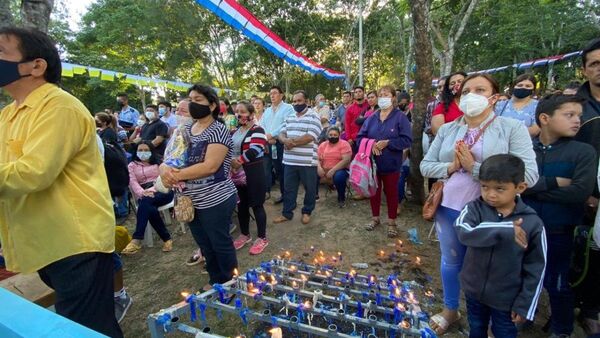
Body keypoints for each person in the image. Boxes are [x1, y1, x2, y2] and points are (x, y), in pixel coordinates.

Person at [0, 27, 122, 337]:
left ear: (36, 66)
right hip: (45, 242)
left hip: (75, 241)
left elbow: (33, 172)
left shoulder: (59, 106)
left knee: (86, 329)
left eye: (1, 52)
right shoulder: (7, 116)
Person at [420, 73, 538, 335]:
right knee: (451, 261)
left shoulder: (511, 128)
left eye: (480, 89)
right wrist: (450, 166)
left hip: (494, 213)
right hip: (449, 206)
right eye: (466, 91)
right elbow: (425, 165)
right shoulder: (449, 128)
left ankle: (491, 320)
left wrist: (476, 169)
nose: (471, 95)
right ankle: (451, 309)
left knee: (490, 267)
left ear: (494, 97)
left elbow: (529, 175)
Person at [521, 94, 597, 337]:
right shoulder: (525, 148)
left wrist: (532, 189)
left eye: (578, 115)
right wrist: (555, 182)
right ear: (545, 118)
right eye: (569, 115)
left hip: (559, 231)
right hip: (523, 228)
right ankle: (522, 316)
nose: (577, 120)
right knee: (521, 276)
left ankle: (562, 329)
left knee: (558, 283)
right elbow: (511, 184)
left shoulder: (583, 152)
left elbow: (579, 193)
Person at [455, 154, 547, 338]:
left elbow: (537, 268)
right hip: (474, 291)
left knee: (504, 333)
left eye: (499, 188)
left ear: (520, 187)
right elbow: (463, 231)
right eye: (484, 187)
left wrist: (525, 304)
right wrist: (504, 229)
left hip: (507, 299)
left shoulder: (532, 223)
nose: (490, 194)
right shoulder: (474, 209)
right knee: (476, 328)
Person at [160, 84, 238, 291]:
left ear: (212, 105)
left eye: (198, 100)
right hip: (189, 200)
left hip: (215, 199)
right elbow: (169, 157)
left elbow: (210, 167)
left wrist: (175, 175)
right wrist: (163, 169)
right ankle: (215, 280)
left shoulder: (218, 130)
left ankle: (229, 284)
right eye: (190, 99)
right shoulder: (184, 129)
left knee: (219, 243)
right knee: (205, 244)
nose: (192, 103)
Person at [356, 86, 412, 238]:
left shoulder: (400, 117)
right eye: (380, 95)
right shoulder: (372, 117)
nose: (382, 97)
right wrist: (371, 144)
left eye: (386, 94)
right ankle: (375, 218)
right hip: (372, 164)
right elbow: (360, 137)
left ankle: (392, 222)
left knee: (391, 192)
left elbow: (407, 140)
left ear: (394, 98)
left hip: (391, 163)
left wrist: (388, 143)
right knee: (374, 191)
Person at [273, 90, 322, 225]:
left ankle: (307, 211)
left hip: (307, 161)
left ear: (306, 102)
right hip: (289, 161)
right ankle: (287, 213)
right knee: (289, 188)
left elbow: (310, 136)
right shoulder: (290, 116)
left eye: (299, 101)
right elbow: (281, 133)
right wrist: (284, 140)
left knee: (310, 188)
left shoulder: (314, 116)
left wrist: (291, 142)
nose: (296, 104)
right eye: (294, 101)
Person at [230, 101, 270, 255]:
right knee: (242, 205)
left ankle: (262, 237)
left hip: (253, 172)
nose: (239, 114)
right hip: (237, 173)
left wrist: (238, 161)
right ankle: (245, 234)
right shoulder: (235, 131)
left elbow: (255, 149)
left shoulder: (258, 130)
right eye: (237, 111)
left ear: (251, 114)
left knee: (257, 205)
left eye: (243, 111)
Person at [122, 142, 174, 255]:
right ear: (136, 152)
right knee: (149, 207)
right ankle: (167, 239)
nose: (143, 153)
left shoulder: (159, 163)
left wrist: (152, 190)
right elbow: (133, 183)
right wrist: (142, 192)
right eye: (140, 150)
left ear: (151, 151)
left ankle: (137, 239)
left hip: (162, 190)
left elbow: (164, 179)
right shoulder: (132, 165)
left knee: (146, 203)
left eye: (146, 150)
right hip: (144, 193)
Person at [262, 86, 295, 203]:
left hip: (281, 143)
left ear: (281, 95)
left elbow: (287, 123)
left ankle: (288, 197)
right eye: (270, 93)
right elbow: (262, 125)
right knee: (276, 170)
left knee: (284, 171)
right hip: (270, 144)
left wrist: (273, 135)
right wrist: (267, 137)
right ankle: (282, 194)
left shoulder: (288, 108)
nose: (272, 95)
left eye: (275, 93)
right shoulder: (267, 110)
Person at [317, 126, 352, 208]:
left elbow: (346, 160)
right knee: (310, 172)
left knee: (339, 176)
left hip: (340, 169)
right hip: (324, 168)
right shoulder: (323, 145)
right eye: (330, 135)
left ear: (339, 135)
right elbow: (316, 158)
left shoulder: (344, 144)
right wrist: (319, 167)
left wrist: (333, 170)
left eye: (335, 135)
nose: (332, 136)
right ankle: (314, 197)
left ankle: (341, 198)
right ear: (327, 135)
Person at [424, 77, 447, 153]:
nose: (441, 89)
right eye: (439, 87)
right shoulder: (431, 105)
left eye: (445, 86)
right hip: (434, 146)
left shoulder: (458, 104)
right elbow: (427, 127)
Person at [344, 86, 370, 150]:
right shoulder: (349, 108)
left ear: (364, 93)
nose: (358, 93)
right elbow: (347, 124)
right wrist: (349, 138)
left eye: (360, 91)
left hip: (368, 137)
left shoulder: (369, 105)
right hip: (354, 138)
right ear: (354, 95)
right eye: (356, 92)